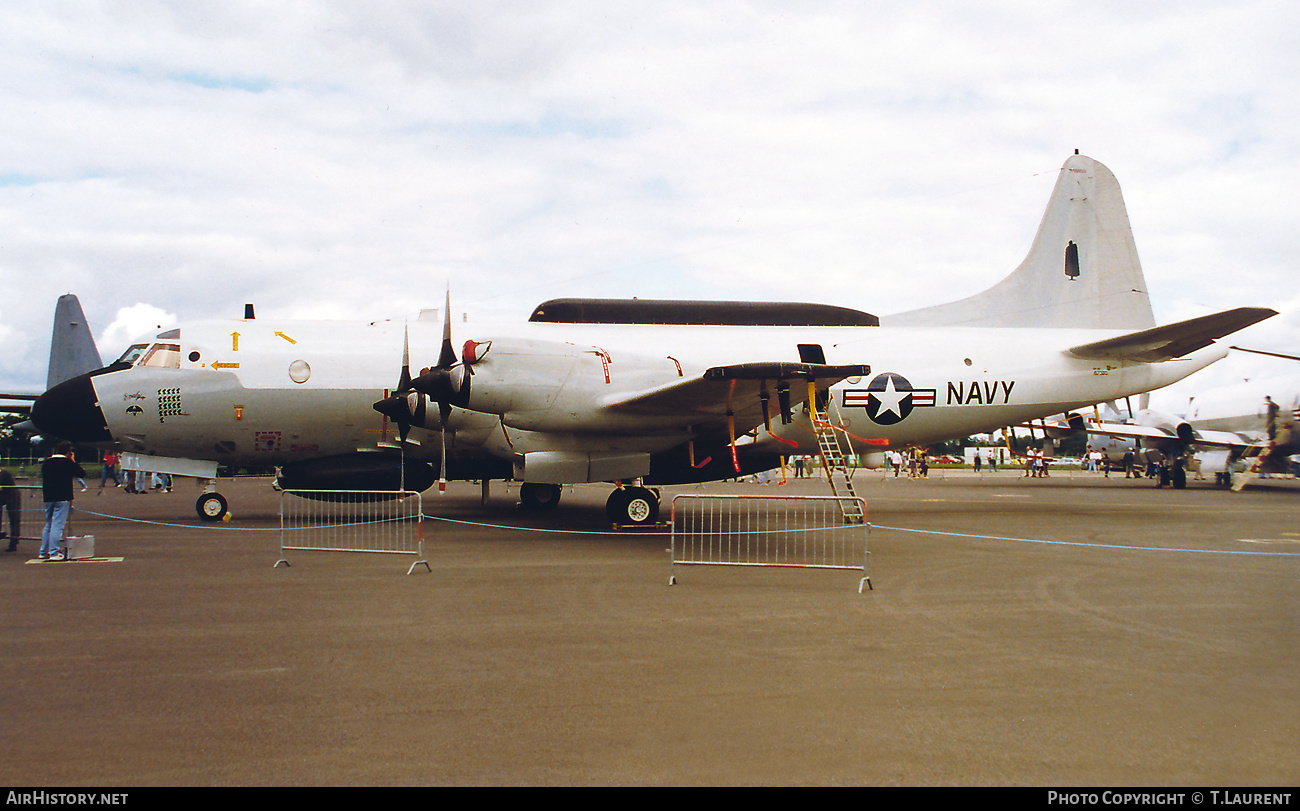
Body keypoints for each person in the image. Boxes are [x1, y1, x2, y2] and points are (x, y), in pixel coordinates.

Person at [40, 442, 86, 561]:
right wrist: (73, 461)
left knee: (48, 523)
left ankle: (43, 551)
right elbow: (81, 473)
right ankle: (54, 551)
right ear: (68, 452)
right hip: (62, 496)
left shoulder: (47, 462)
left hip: (48, 496)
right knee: (57, 525)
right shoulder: (67, 463)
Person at [0, 468, 21, 552]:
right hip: (2, 495)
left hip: (12, 495)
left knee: (14, 518)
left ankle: (14, 542)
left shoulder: (3, 473)